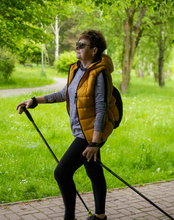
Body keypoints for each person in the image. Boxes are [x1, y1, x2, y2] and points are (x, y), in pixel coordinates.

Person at [16, 30, 119, 220]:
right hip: (84, 132)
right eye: (77, 44)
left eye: (82, 45)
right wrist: (35, 100)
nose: (77, 48)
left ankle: (69, 217)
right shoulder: (76, 69)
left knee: (62, 173)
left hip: (91, 134)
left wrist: (94, 143)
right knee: (93, 171)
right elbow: (65, 93)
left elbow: (101, 108)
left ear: (94, 50)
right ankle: (100, 216)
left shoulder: (100, 74)